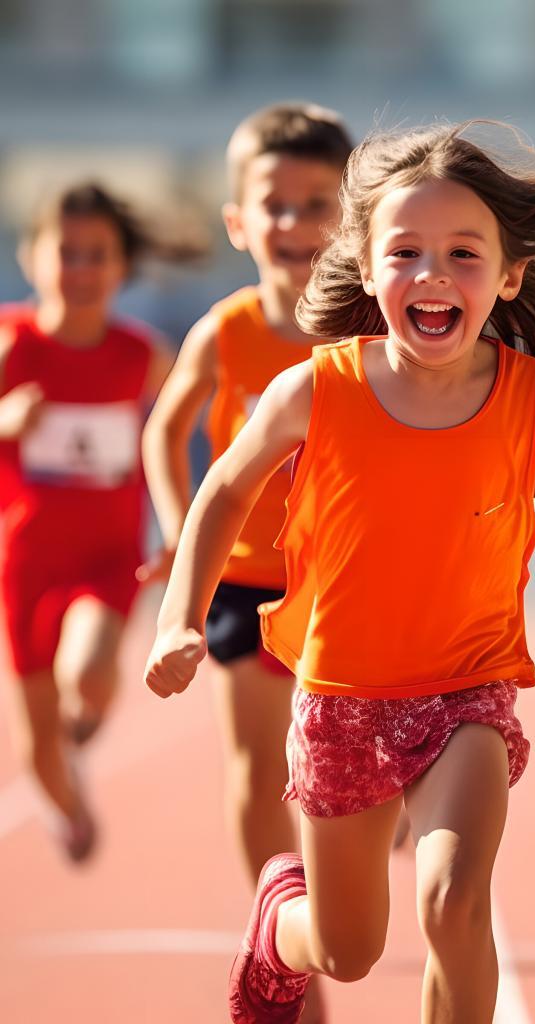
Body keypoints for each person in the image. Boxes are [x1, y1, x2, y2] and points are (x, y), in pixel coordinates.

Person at [144, 120, 535, 1024]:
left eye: (463, 253)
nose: (433, 274)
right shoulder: (317, 389)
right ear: (366, 269)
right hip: (343, 694)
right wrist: (180, 620)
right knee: (347, 949)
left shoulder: (530, 393)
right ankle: (280, 923)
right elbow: (223, 490)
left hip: (468, 688)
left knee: (453, 902)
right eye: (404, 252)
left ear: (508, 277)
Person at [141, 102, 354, 887]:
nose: (295, 221)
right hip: (245, 580)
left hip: (348, 585)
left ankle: (369, 836)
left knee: (354, 759)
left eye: (318, 204)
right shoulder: (224, 333)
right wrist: (175, 529)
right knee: (259, 768)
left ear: (352, 220)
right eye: (275, 204)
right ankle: (281, 933)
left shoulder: (371, 335)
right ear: (238, 221)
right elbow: (166, 432)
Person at [0, 182, 192, 861]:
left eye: (97, 255)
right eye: (67, 252)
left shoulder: (144, 358)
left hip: (110, 558)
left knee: (87, 673)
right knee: (38, 755)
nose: (81, 269)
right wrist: (5, 422)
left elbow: (180, 434)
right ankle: (72, 807)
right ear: (32, 258)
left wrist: (181, 525)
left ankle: (88, 715)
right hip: (25, 563)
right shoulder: (8, 343)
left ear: (121, 268)